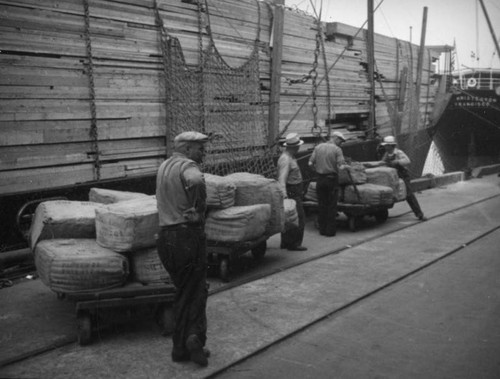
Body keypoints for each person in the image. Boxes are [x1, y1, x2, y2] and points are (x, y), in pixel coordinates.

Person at [156, 131, 211, 367]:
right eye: (200, 148)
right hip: (187, 237)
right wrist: (198, 209)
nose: (203, 152)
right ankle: (194, 340)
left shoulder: (164, 166)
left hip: (166, 238)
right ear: (188, 149)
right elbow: (196, 180)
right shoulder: (187, 165)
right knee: (197, 291)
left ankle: (180, 348)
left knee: (182, 292)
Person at [370, 135, 427, 221]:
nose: (385, 147)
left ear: (391, 146)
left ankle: (419, 214)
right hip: (393, 177)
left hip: (403, 176)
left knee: (408, 194)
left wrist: (397, 162)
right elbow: (382, 163)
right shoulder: (387, 154)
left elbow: (407, 161)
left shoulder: (399, 153)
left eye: (386, 145)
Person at [308, 131, 347, 236]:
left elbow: (310, 163)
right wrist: (347, 167)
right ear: (336, 138)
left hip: (320, 180)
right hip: (331, 180)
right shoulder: (337, 150)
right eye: (341, 141)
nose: (341, 143)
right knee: (331, 206)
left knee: (322, 205)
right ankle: (330, 231)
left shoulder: (318, 147)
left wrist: (316, 170)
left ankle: (322, 230)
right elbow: (340, 166)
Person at [277, 133, 307, 251]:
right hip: (291, 192)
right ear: (293, 147)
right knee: (298, 217)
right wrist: (284, 195)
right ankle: (294, 243)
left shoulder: (290, 157)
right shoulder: (286, 159)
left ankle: (286, 242)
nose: (299, 148)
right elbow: (282, 178)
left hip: (294, 190)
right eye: (298, 146)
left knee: (289, 217)